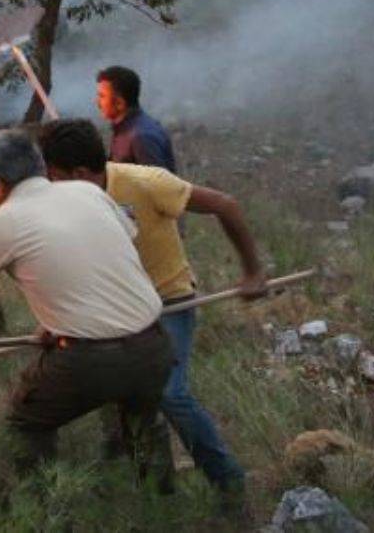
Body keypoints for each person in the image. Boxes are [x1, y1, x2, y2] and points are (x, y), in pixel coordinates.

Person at [0, 129, 176, 490]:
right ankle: (162, 503)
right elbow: (109, 250)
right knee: (143, 421)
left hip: (91, 360)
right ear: (41, 166)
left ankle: (43, 510)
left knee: (25, 425)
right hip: (154, 346)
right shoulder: (90, 192)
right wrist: (62, 323)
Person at [37, 118, 266, 495]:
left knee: (169, 394)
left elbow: (226, 205)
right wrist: (60, 321)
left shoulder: (144, 183)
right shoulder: (64, 202)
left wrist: (253, 272)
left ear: (80, 173)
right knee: (121, 396)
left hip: (168, 302)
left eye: (55, 176)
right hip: (114, 312)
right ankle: (157, 492)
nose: (50, 185)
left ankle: (230, 484)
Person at [96, 65, 177, 171]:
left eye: (102, 96)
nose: (97, 102)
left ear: (120, 103)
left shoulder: (141, 137)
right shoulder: (124, 129)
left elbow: (157, 185)